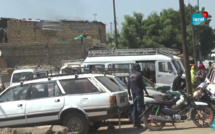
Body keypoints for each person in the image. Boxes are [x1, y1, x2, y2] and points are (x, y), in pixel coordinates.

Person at [127, 63, 148, 128]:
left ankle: (134, 123)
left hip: (133, 93)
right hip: (139, 93)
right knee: (139, 108)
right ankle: (138, 124)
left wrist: (129, 94)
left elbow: (128, 85)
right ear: (137, 67)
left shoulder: (130, 75)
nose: (140, 68)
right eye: (139, 67)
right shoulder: (139, 74)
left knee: (135, 108)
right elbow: (142, 84)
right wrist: (146, 91)